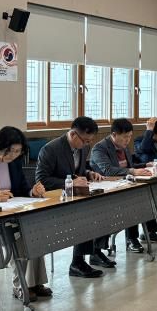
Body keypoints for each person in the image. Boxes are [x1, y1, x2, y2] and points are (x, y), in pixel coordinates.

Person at [0, 127, 51, 301]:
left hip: (15, 212)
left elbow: (22, 188)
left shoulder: (14, 163)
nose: (13, 155)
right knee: (18, 239)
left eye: (18, 151)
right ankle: (20, 285)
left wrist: (32, 192)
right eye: (11, 150)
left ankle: (36, 283)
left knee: (35, 232)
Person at [35, 117, 109, 277]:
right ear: (73, 134)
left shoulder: (82, 147)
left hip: (75, 197)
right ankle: (77, 263)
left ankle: (94, 252)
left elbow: (77, 171)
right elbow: (42, 180)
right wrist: (69, 182)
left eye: (90, 141)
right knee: (85, 213)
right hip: (56, 200)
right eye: (85, 140)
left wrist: (89, 173)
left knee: (101, 206)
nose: (88, 144)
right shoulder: (51, 149)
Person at [90, 118, 157, 253]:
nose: (128, 140)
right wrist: (132, 171)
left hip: (124, 186)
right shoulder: (100, 148)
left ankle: (144, 234)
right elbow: (108, 170)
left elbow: (129, 167)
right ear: (114, 134)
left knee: (144, 197)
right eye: (125, 137)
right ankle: (129, 239)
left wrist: (145, 165)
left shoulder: (123, 146)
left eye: (130, 136)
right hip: (106, 191)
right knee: (132, 202)